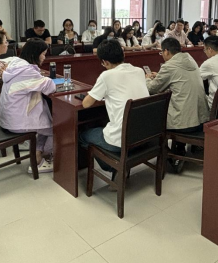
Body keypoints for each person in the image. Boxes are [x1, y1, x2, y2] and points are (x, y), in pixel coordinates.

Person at [80, 40, 150, 172]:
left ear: (105, 62)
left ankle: (112, 166)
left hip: (121, 141)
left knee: (83, 135)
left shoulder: (106, 76)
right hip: (144, 136)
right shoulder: (139, 71)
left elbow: (86, 104)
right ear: (123, 54)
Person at [146, 38, 209, 171]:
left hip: (183, 123)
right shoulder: (190, 60)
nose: (162, 55)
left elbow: (152, 89)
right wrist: (159, 76)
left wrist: (146, 79)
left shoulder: (169, 66)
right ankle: (179, 150)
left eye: (161, 52)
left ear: (166, 51)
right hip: (201, 119)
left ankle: (172, 156)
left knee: (151, 118)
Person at [0, 39, 56, 174]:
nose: (44, 57)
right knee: (57, 129)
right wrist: (43, 77)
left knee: (46, 120)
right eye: (43, 54)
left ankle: (37, 154)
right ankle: (43, 158)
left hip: (9, 117)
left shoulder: (16, 64)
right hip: (17, 121)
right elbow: (50, 87)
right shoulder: (27, 71)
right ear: (35, 54)